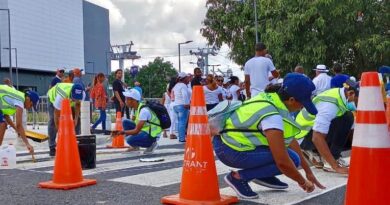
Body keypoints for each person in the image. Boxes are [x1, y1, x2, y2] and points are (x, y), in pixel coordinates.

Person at [214, 73, 324, 199]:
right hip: (231, 151)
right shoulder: (273, 116)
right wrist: (303, 182)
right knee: (292, 159)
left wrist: (308, 172)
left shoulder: (270, 98)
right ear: (292, 100)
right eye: (303, 103)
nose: (303, 107)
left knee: (289, 155)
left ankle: (263, 175)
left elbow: (290, 141)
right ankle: (238, 178)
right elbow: (282, 161)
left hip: (226, 142)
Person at [297, 80, 358, 173]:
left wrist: (359, 156)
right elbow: (317, 137)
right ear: (351, 93)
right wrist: (335, 166)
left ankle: (322, 154)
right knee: (347, 117)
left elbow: (353, 132)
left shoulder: (341, 97)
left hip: (311, 131)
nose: (358, 103)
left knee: (347, 118)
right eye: (358, 99)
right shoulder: (330, 106)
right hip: (304, 136)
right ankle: (330, 161)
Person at [112, 89, 160, 153]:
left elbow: (136, 131)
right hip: (145, 130)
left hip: (152, 135)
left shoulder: (143, 111)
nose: (125, 101)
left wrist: (121, 132)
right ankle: (135, 147)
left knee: (129, 139)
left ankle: (152, 144)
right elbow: (133, 124)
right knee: (125, 122)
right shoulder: (135, 109)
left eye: (127, 99)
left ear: (133, 100)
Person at [47, 83, 85, 156]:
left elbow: (77, 104)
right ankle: (52, 147)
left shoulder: (82, 94)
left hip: (67, 101)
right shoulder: (62, 95)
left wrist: (76, 119)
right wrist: (60, 133)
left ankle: (74, 144)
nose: (76, 100)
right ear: (71, 93)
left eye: (78, 98)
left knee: (77, 121)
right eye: (75, 97)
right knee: (52, 121)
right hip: (53, 98)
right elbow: (56, 116)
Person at [0, 85, 39, 154]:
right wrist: (27, 144)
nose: (29, 107)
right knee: (2, 125)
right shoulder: (20, 100)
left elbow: (6, 117)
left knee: (3, 124)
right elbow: (19, 125)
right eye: (31, 105)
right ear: (28, 99)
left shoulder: (16, 98)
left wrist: (16, 130)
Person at [172, 72, 191, 142]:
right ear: (184, 78)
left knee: (179, 122)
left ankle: (181, 137)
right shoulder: (183, 85)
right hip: (182, 105)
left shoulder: (176, 85)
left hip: (176, 105)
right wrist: (186, 104)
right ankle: (182, 138)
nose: (188, 79)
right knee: (182, 122)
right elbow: (185, 95)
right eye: (187, 78)